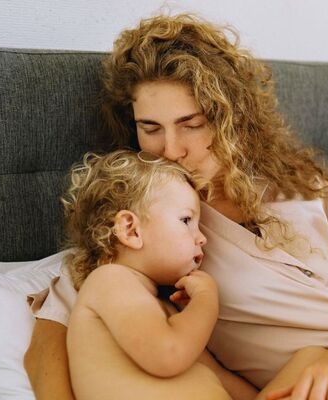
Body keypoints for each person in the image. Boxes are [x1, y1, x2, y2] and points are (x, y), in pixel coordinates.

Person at [24, 13, 328, 400]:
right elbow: (51, 337)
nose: (173, 149)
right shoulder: (154, 225)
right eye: (150, 128)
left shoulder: (297, 182)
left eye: (191, 124)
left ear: (230, 117)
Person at [60, 150, 257, 400]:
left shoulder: (164, 310)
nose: (202, 237)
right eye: (186, 220)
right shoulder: (109, 281)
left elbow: (217, 374)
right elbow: (169, 355)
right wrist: (207, 300)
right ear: (131, 230)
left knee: (308, 357)